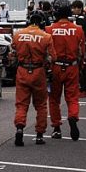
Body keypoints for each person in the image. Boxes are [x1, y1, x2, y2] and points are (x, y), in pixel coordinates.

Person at [11, 11, 54, 146]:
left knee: (21, 104)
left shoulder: (18, 35)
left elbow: (12, 54)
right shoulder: (46, 37)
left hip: (22, 70)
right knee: (41, 104)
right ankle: (39, 135)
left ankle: (19, 127)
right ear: (42, 22)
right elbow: (53, 57)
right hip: (38, 71)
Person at [45, 0, 85, 141]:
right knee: (72, 97)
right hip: (72, 66)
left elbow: (46, 52)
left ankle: (56, 128)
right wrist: (80, 67)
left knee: (54, 99)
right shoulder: (78, 29)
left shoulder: (49, 29)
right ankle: (73, 117)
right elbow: (82, 52)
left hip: (55, 67)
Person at [71, 0, 86, 96]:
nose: (75, 10)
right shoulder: (73, 19)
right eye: (74, 8)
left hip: (82, 46)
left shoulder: (82, 20)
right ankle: (79, 87)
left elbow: (85, 33)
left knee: (83, 66)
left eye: (77, 8)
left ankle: (83, 88)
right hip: (76, 46)